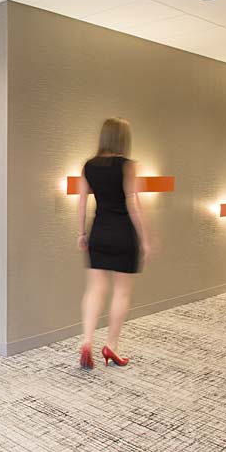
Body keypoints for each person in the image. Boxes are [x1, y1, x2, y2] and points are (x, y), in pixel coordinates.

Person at [76, 117, 150, 369]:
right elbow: (133, 204)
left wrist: (81, 234)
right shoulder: (128, 166)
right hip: (123, 233)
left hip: (98, 232)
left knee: (94, 289)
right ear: (124, 139)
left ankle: (86, 341)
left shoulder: (88, 166)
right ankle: (111, 346)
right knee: (121, 291)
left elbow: (82, 202)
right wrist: (146, 238)